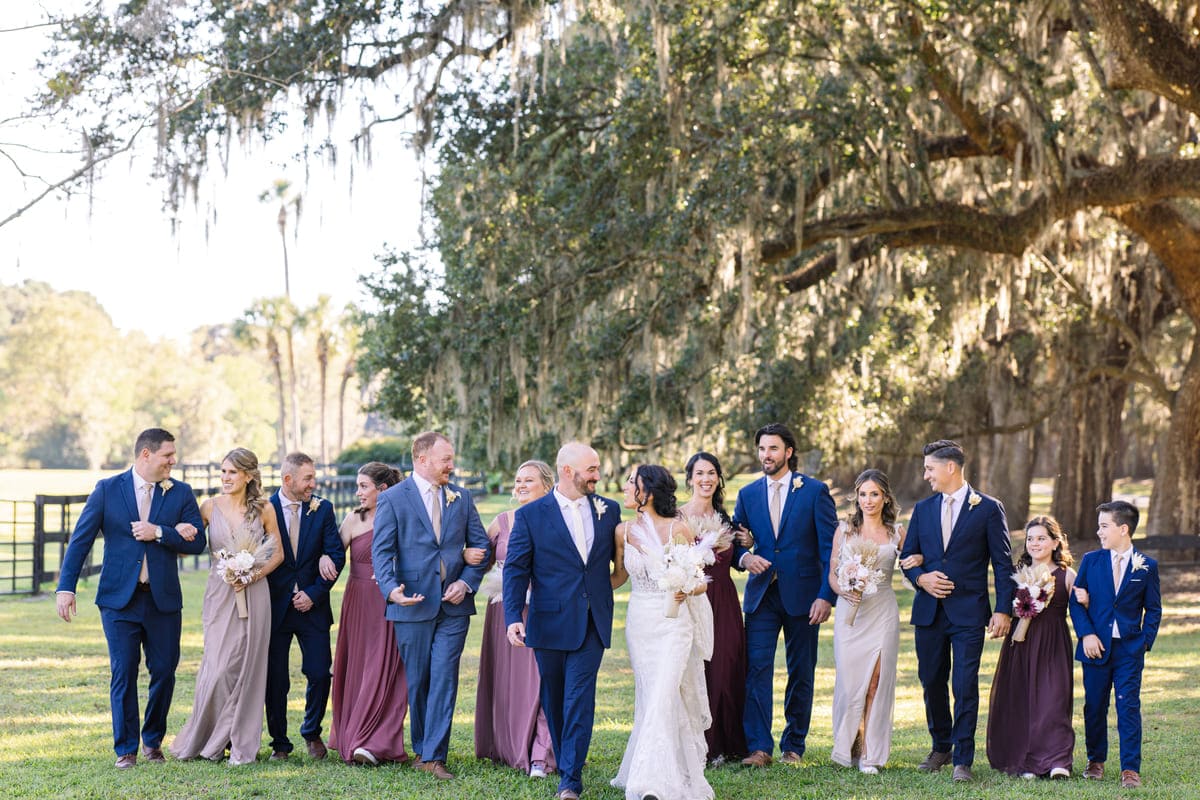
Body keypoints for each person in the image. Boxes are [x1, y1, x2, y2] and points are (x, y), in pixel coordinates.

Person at [55, 428, 205, 768]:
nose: (173, 461)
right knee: (123, 672)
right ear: (146, 455)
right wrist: (66, 588)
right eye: (168, 455)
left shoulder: (180, 492)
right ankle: (126, 749)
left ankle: (152, 741)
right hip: (118, 601)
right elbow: (81, 540)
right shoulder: (108, 490)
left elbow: (198, 543)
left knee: (165, 672)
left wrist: (162, 533)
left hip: (163, 600)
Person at [503, 442, 621, 800]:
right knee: (554, 700)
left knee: (579, 700)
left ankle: (570, 779)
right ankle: (566, 758)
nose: (597, 476)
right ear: (568, 472)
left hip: (592, 622)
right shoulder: (531, 515)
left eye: (598, 468)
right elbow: (516, 570)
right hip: (549, 622)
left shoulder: (609, 510)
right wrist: (512, 617)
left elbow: (615, 565)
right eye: (591, 470)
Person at [372, 431, 490, 781]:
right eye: (445, 460)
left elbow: (480, 546)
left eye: (451, 459)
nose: (451, 466)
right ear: (422, 460)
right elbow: (381, 551)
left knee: (444, 677)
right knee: (419, 679)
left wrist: (466, 582)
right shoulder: (393, 498)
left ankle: (435, 755)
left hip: (454, 608)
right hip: (411, 603)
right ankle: (422, 748)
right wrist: (392, 590)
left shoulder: (462, 497)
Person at [899, 439, 1014, 783]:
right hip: (929, 612)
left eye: (930, 468)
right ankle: (941, 745)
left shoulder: (989, 508)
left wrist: (1003, 609)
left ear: (951, 467)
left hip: (969, 612)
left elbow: (1002, 563)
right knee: (931, 680)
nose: (925, 475)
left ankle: (963, 757)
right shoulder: (922, 509)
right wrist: (922, 578)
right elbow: (907, 560)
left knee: (964, 685)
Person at [732, 422, 837, 767]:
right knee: (757, 668)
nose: (766, 455)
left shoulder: (814, 491)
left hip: (805, 596)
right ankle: (760, 747)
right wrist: (745, 556)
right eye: (762, 449)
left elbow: (829, 550)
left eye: (773, 449)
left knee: (801, 670)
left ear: (788, 452)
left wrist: (826, 596)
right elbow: (733, 541)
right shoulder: (747, 495)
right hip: (762, 596)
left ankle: (794, 746)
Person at [170, 447, 285, 764]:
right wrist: (177, 533)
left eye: (232, 472)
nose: (225, 478)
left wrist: (252, 576)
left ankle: (239, 741)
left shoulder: (264, 509)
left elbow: (277, 554)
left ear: (248, 475)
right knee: (219, 667)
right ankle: (207, 738)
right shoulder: (208, 507)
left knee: (248, 666)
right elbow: (189, 546)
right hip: (220, 593)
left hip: (255, 592)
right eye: (222, 472)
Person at [610, 464, 714, 800]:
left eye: (631, 483)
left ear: (648, 492)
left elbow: (699, 582)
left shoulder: (678, 528)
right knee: (650, 695)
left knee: (665, 693)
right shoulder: (622, 531)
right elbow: (619, 577)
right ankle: (661, 769)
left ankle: (650, 782)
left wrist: (686, 588)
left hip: (674, 624)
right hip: (640, 622)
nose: (625, 488)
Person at [1070, 501, 1162, 789]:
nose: (1099, 531)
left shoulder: (1147, 566)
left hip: (1129, 651)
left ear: (1123, 529)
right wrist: (1086, 634)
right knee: (1094, 706)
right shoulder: (1090, 561)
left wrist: (1144, 643)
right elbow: (1076, 600)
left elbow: (1154, 609)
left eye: (1104, 526)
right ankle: (1096, 760)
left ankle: (1130, 769)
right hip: (1095, 647)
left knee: (1128, 707)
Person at [475, 460, 558, 777]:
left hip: (544, 613)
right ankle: (508, 748)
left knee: (542, 685)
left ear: (547, 485)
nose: (521, 485)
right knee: (508, 686)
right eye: (518, 479)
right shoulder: (501, 522)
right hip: (504, 614)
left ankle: (540, 754)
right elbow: (480, 562)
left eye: (529, 480)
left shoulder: (557, 520)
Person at [328, 462, 410, 766]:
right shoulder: (353, 519)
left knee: (386, 669)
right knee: (359, 666)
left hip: (389, 601)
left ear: (383, 489)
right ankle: (353, 736)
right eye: (358, 486)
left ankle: (376, 742)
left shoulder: (404, 519)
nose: (358, 492)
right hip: (358, 603)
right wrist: (326, 558)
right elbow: (335, 555)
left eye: (364, 486)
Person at [265, 451, 346, 761]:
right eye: (308, 478)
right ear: (288, 480)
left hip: (313, 607)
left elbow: (336, 556)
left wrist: (313, 592)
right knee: (276, 678)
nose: (314, 483)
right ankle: (279, 743)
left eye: (314, 477)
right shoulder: (265, 508)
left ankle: (311, 733)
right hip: (275, 608)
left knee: (319, 673)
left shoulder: (323, 509)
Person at [828, 468, 907, 774]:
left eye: (874, 494)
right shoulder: (845, 530)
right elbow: (833, 572)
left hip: (883, 611)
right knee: (851, 685)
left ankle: (870, 754)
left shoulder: (897, 532)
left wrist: (918, 563)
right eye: (863, 494)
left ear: (885, 497)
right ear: (857, 497)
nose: (868, 500)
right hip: (851, 614)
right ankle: (851, 742)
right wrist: (845, 592)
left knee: (875, 682)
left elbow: (913, 561)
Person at [986, 515, 1076, 779]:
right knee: (1023, 700)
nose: (1035, 543)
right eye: (1030, 539)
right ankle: (1029, 762)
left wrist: (1083, 597)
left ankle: (1058, 761)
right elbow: (1005, 608)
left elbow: (1082, 610)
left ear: (1055, 542)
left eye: (1041, 538)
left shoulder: (1066, 574)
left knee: (1053, 699)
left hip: (1053, 642)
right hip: (1020, 644)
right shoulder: (1016, 575)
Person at [679, 451, 748, 765]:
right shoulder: (678, 517)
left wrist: (746, 546)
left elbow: (733, 559)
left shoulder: (725, 518)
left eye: (711, 473)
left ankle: (723, 742)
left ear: (719, 478)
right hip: (693, 599)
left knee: (726, 666)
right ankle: (697, 744)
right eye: (700, 473)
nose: (706, 479)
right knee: (697, 669)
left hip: (725, 601)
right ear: (690, 478)